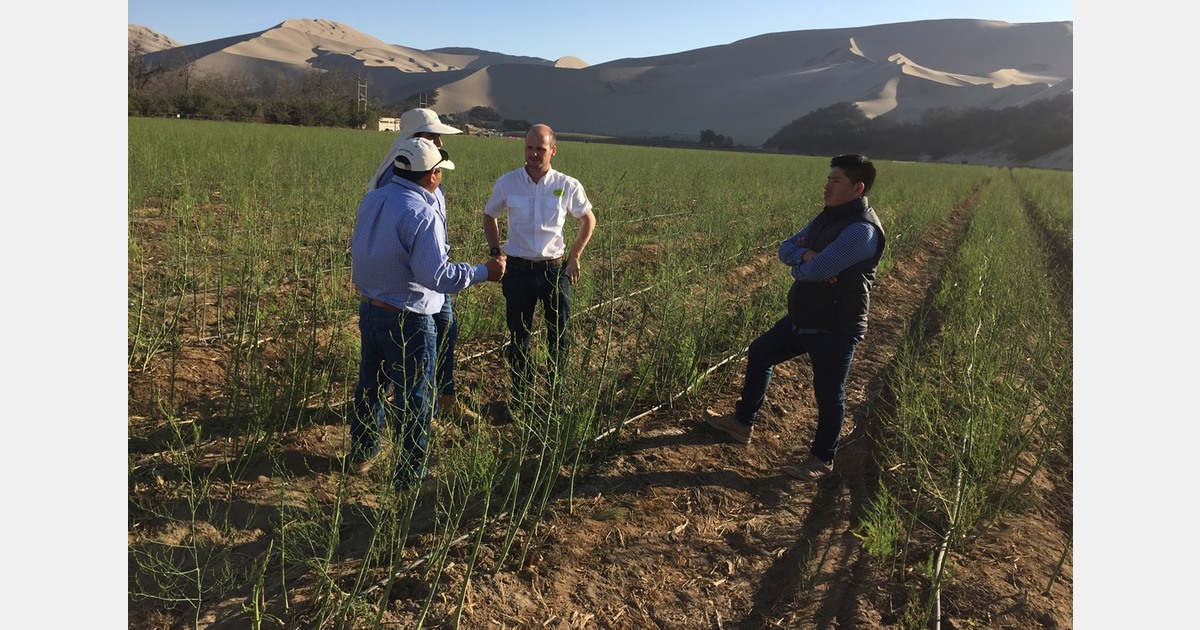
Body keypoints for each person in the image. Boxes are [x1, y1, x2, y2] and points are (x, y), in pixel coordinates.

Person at [706, 154, 885, 481]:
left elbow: (816, 271)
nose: (827, 185)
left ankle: (821, 459)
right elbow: (785, 248)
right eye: (828, 178)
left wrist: (807, 265)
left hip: (837, 326)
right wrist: (804, 254)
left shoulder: (862, 231)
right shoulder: (826, 219)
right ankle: (742, 423)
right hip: (804, 316)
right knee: (760, 352)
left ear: (857, 188)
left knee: (829, 394)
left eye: (836, 181)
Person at [350, 137, 505, 488]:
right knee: (415, 396)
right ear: (432, 176)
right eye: (440, 173)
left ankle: (363, 451)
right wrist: (485, 271)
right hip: (409, 318)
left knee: (370, 385)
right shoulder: (422, 212)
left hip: (370, 309)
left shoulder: (373, 198)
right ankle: (410, 474)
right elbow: (437, 276)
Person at [368, 108, 483, 425]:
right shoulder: (400, 174)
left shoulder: (422, 168)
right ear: (415, 139)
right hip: (415, 283)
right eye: (432, 136)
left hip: (428, 270)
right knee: (415, 346)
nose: (440, 140)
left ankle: (442, 400)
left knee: (444, 333)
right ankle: (416, 411)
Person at [482, 124, 596, 412]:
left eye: (541, 149)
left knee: (560, 336)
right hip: (518, 271)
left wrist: (575, 256)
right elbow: (489, 215)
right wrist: (496, 252)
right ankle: (521, 399)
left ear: (553, 151)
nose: (534, 154)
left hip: (555, 272)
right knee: (519, 337)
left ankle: (554, 399)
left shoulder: (567, 184)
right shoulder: (508, 182)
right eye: (530, 148)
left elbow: (588, 219)